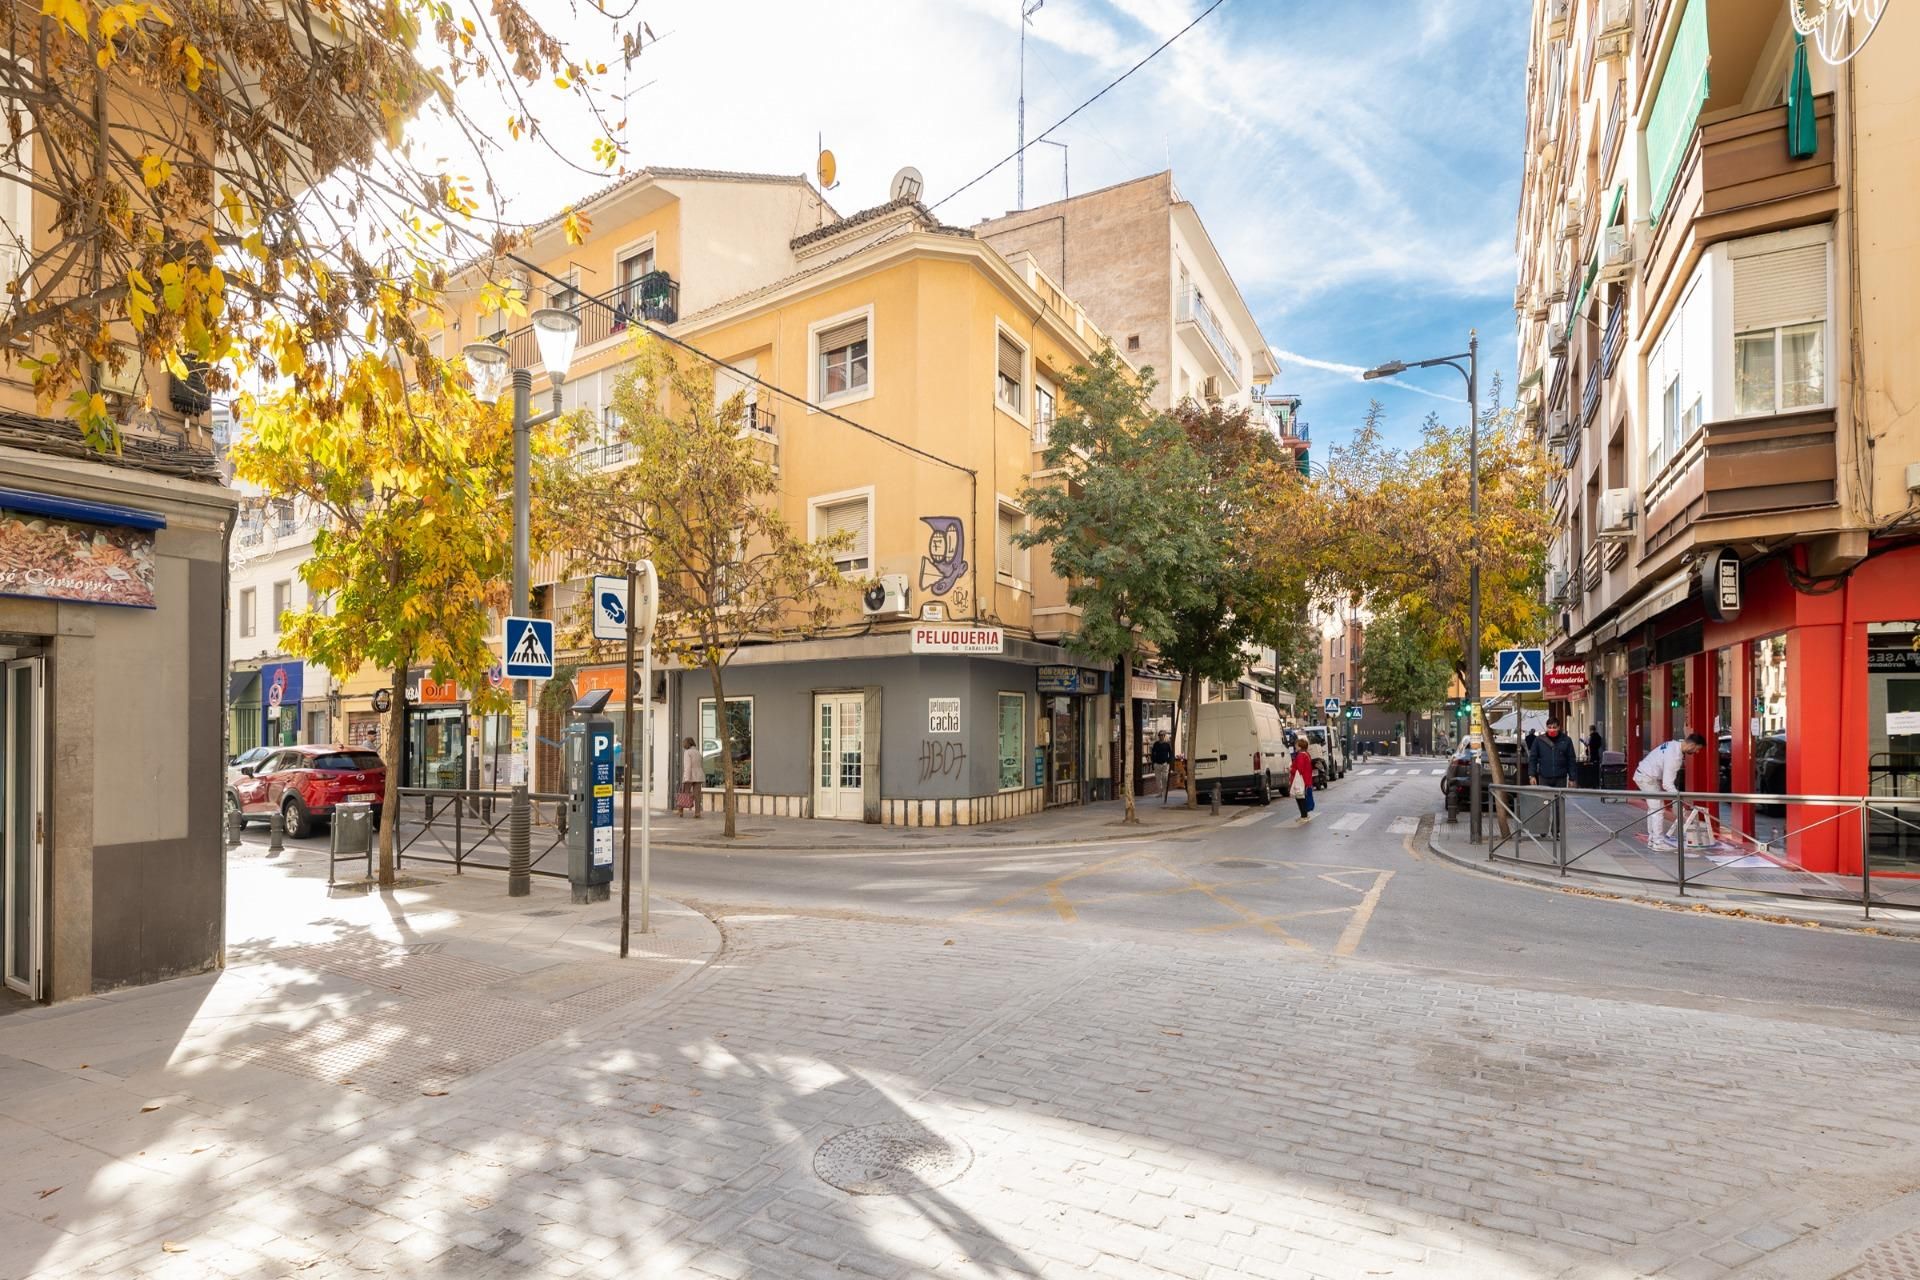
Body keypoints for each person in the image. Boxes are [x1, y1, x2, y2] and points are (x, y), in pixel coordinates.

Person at [1633, 732, 1706, 850]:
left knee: (1654, 809)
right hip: (1647, 778)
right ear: (1692, 745)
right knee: (1657, 809)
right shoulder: (1675, 756)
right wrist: (1677, 799)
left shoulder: (1673, 744)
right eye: (1697, 749)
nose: (1697, 752)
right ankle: (1658, 842)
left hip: (1645, 775)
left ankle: (1653, 839)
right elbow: (1667, 784)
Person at [1528, 717, 1577, 788]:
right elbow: (1533, 758)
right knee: (1544, 795)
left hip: (1561, 778)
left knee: (1560, 796)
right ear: (1546, 727)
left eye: (1554, 727)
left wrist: (1572, 778)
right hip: (1544, 777)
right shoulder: (1539, 740)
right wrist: (1532, 775)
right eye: (1549, 727)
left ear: (1559, 727)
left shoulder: (1566, 740)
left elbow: (1571, 759)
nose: (1552, 730)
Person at [677, 736, 704, 818]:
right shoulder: (698, 752)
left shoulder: (687, 752)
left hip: (690, 775)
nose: (683, 744)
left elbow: (688, 766)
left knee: (684, 793)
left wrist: (686, 778)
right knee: (697, 795)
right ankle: (697, 813)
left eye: (684, 743)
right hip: (699, 775)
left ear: (688, 744)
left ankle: (680, 811)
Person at [1289, 739, 1315, 825]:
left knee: (1300, 798)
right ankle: (1304, 815)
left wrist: (1290, 769)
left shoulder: (1300, 755)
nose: (1295, 747)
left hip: (1301, 781)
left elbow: (1299, 770)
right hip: (1306, 780)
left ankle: (1304, 816)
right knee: (1302, 797)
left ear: (1300, 747)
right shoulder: (1306, 754)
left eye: (1296, 745)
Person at [1151, 731, 1173, 806]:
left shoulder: (1167, 744)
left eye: (1162, 735)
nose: (1161, 736)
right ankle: (1159, 793)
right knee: (1158, 779)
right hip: (1157, 764)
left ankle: (1164, 792)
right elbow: (1153, 753)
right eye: (1160, 735)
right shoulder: (1156, 744)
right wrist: (1153, 762)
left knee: (1164, 778)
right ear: (1158, 736)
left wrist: (1168, 761)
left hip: (1165, 764)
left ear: (1164, 736)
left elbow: (1171, 753)